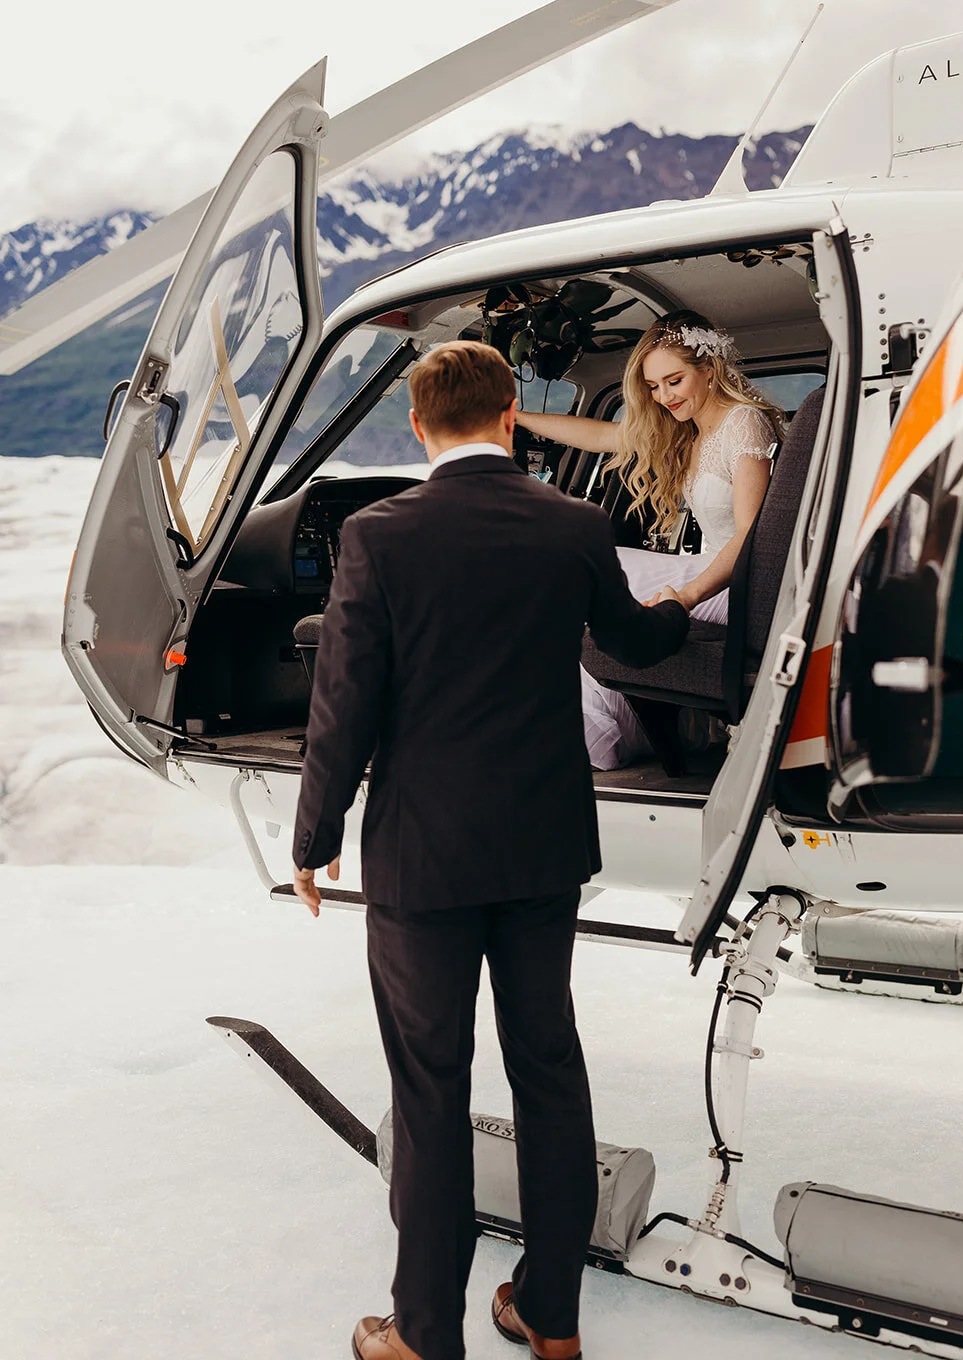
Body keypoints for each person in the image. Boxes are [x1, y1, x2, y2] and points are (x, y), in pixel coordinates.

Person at [292, 340, 690, 1360]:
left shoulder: (377, 537)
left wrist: (314, 834)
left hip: (422, 854)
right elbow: (634, 646)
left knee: (430, 1090)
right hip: (541, 844)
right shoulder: (573, 524)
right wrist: (688, 596)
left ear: (419, 427)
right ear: (511, 415)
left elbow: (344, 703)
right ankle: (550, 1319)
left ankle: (422, 1333)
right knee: (547, 1068)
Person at [516, 310, 783, 769]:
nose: (663, 397)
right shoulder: (693, 431)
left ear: (709, 367)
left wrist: (685, 597)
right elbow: (605, 436)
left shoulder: (743, 423)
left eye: (673, 380)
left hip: (739, 583)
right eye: (654, 387)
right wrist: (516, 417)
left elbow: (751, 535)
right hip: (714, 573)